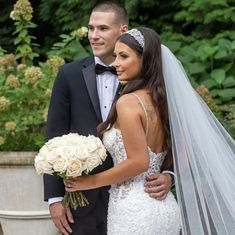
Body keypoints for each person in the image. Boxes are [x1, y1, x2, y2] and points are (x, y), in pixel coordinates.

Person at [64, 27, 235, 234]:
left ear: (145, 59)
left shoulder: (128, 102)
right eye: (115, 56)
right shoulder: (165, 101)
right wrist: (169, 176)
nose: (116, 63)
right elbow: (185, 149)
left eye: (124, 56)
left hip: (134, 211)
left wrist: (90, 181)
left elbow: (139, 162)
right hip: (164, 207)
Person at [44, 2, 174, 235]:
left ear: (123, 31)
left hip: (138, 197)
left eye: (103, 29)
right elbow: (54, 137)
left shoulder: (151, 92)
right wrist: (55, 198)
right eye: (91, 28)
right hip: (82, 202)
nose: (94, 35)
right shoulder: (68, 75)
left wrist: (170, 175)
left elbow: (175, 136)